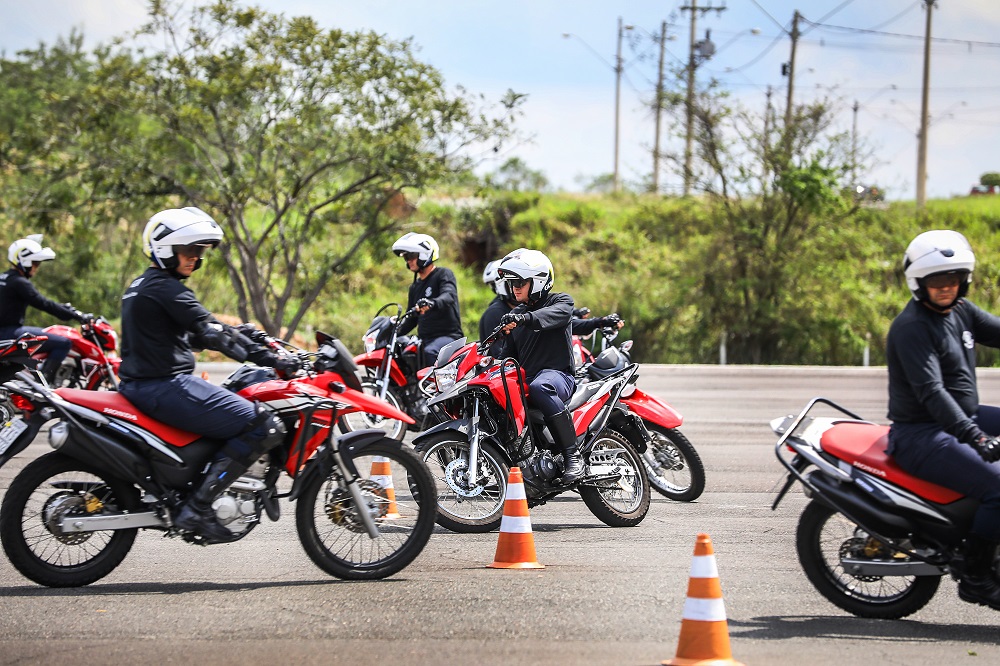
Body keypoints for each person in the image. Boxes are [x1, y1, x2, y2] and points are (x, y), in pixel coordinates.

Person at [118, 207, 296, 542]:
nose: (194, 259)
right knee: (265, 425)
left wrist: (241, 331)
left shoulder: (145, 284)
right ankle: (198, 508)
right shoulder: (167, 288)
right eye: (188, 250)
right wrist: (273, 360)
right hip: (165, 386)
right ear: (164, 249)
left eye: (198, 252)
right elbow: (213, 334)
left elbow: (193, 335)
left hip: (146, 385)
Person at [886, 229, 1000, 610]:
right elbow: (933, 393)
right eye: (937, 281)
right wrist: (977, 438)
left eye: (952, 279)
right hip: (922, 435)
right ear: (919, 283)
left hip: (960, 418)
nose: (946, 288)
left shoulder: (961, 311)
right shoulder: (913, 327)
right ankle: (977, 577)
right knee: (999, 486)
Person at [494, 249, 584, 484]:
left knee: (540, 386)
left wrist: (524, 319)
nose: (514, 287)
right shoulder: (516, 314)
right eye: (512, 282)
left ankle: (573, 456)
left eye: (520, 282)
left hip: (557, 377)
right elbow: (508, 358)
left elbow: (558, 315)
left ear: (539, 280)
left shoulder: (560, 301)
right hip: (527, 380)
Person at [0, 235, 90, 384]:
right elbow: (44, 303)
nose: (36, 267)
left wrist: (65, 309)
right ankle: (44, 385)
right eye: (35, 263)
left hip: (5, 332)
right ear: (24, 261)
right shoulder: (20, 282)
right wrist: (75, 315)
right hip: (10, 332)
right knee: (64, 343)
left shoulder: (4, 277)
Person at [391, 232, 463, 367]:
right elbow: (411, 319)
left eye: (411, 256)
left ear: (425, 254)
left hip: (448, 337)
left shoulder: (443, 274)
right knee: (399, 349)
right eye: (406, 257)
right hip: (425, 339)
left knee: (430, 352)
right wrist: (393, 332)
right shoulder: (414, 287)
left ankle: (435, 388)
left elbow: (449, 296)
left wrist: (432, 303)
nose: (408, 261)